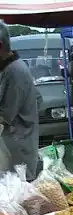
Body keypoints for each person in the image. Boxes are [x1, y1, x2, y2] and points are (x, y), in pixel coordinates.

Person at [0, 22, 40, 180]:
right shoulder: (6, 69)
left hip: (17, 149)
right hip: (12, 146)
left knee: (19, 197)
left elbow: (5, 116)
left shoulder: (16, 71)